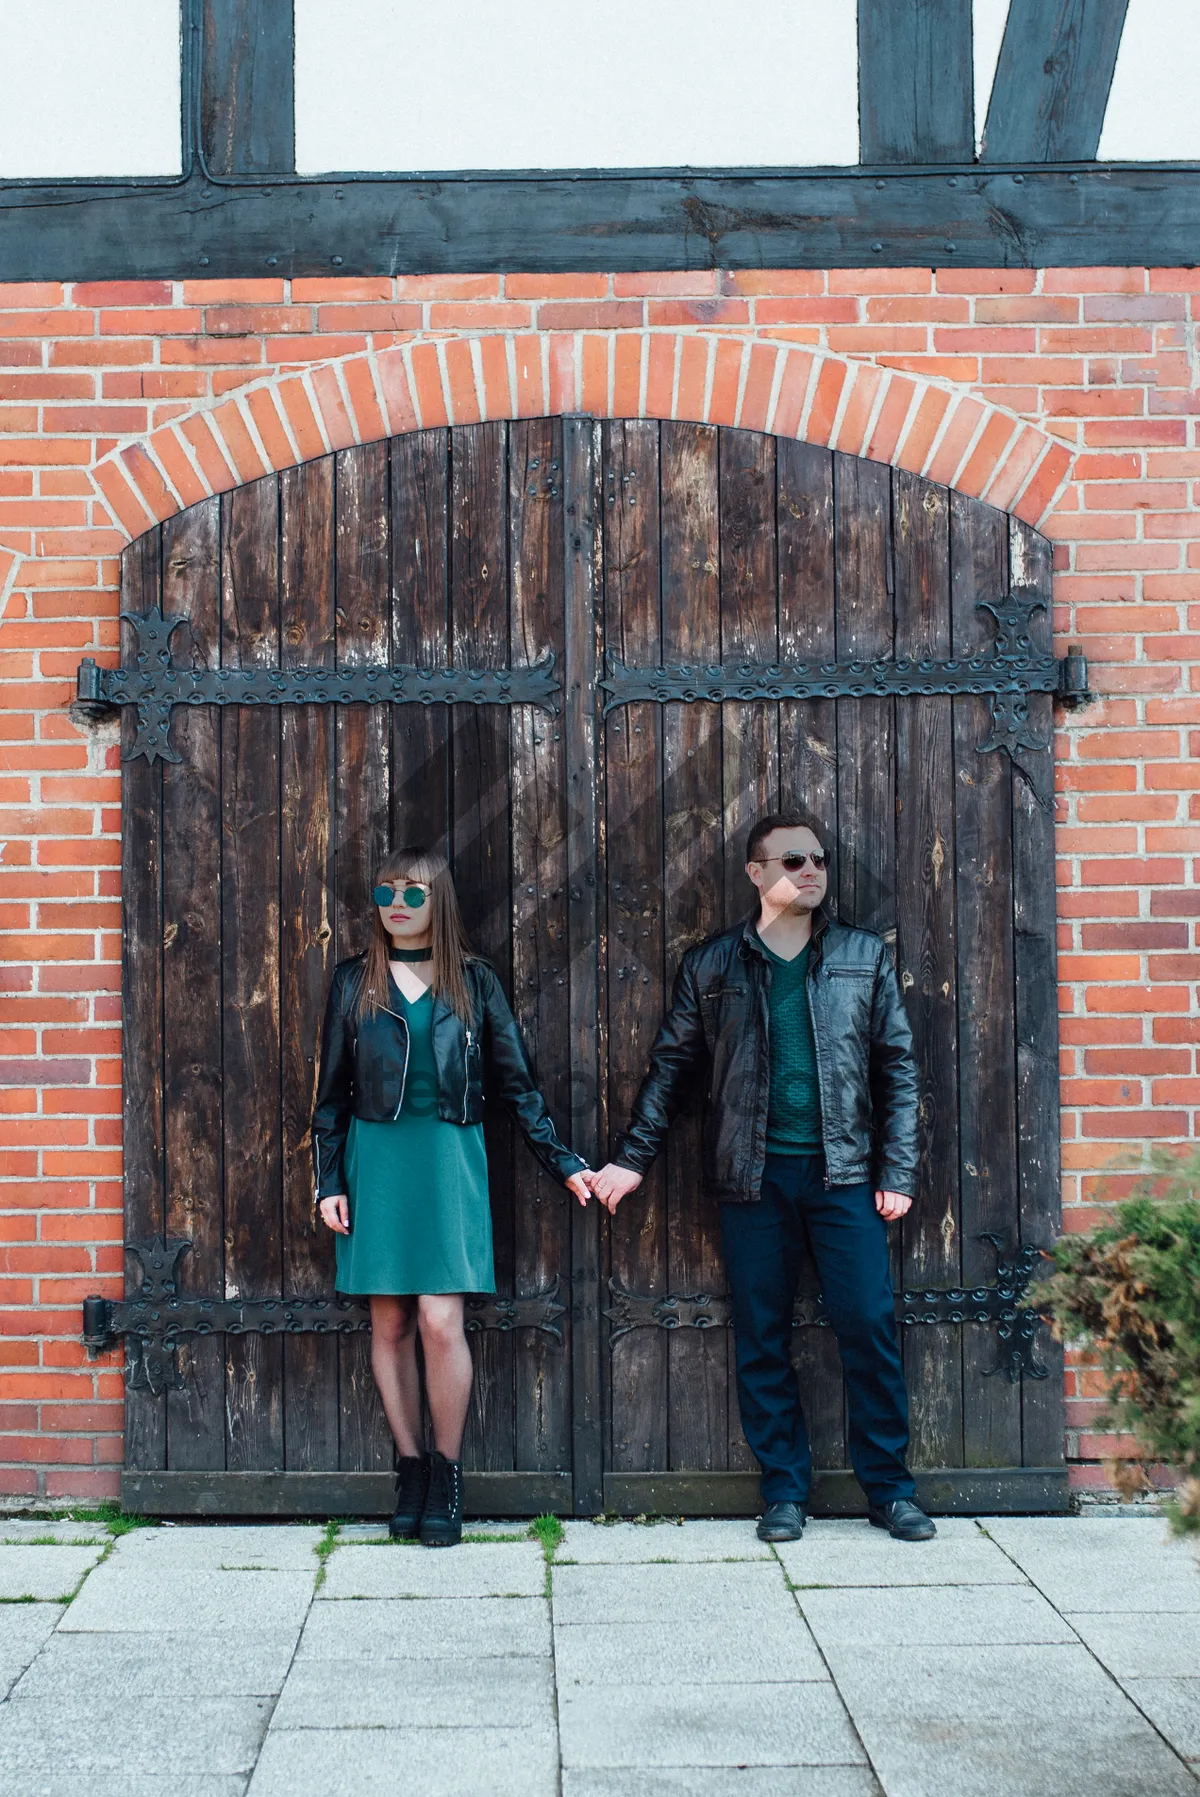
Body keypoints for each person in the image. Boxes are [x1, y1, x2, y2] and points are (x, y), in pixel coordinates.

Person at [585, 811, 935, 1544]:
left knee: (867, 1323)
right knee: (763, 1333)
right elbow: (672, 1068)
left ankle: (891, 1490)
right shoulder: (712, 965)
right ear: (756, 873)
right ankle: (784, 1489)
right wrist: (631, 1156)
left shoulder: (860, 956)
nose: (811, 871)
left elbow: (898, 1068)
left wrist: (896, 1168)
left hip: (844, 1176)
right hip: (753, 1176)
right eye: (793, 859)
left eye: (819, 859)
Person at [313, 848, 591, 1547]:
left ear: (439, 898)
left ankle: (448, 1469)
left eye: (414, 890)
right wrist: (328, 1179)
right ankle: (409, 1467)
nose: (398, 902)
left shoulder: (474, 982)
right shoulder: (352, 982)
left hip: (448, 1160)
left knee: (441, 1320)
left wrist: (562, 1162)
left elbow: (518, 1086)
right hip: (376, 1160)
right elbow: (330, 1098)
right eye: (386, 890)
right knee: (390, 1325)